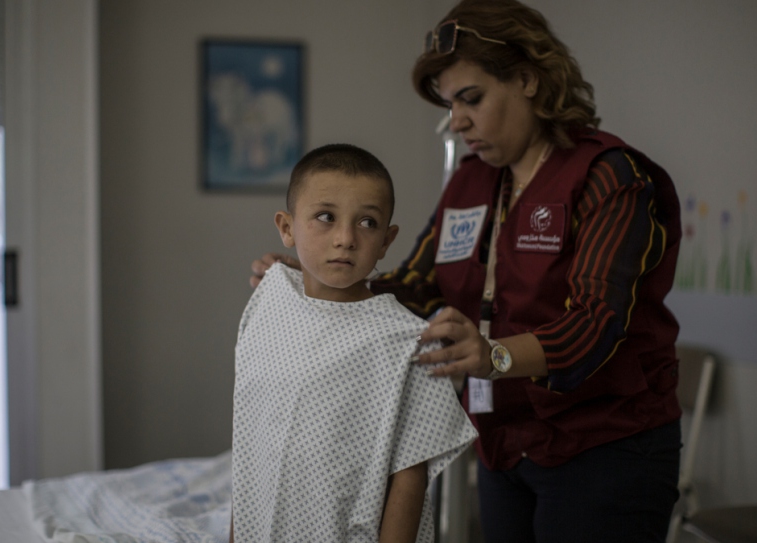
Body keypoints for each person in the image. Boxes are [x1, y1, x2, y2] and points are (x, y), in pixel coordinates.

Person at [250, 1, 684, 541]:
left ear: (528, 78)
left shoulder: (609, 177)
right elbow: (415, 284)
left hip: (604, 449)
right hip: (504, 442)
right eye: (450, 103)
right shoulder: (472, 183)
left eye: (470, 98)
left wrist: (494, 354)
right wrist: (318, 277)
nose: (456, 122)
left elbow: (596, 324)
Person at [231, 143, 477, 543]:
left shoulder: (407, 342)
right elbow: (248, 440)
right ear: (287, 227)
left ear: (386, 240)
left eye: (367, 223)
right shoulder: (271, 304)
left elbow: (410, 477)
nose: (345, 238)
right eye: (325, 217)